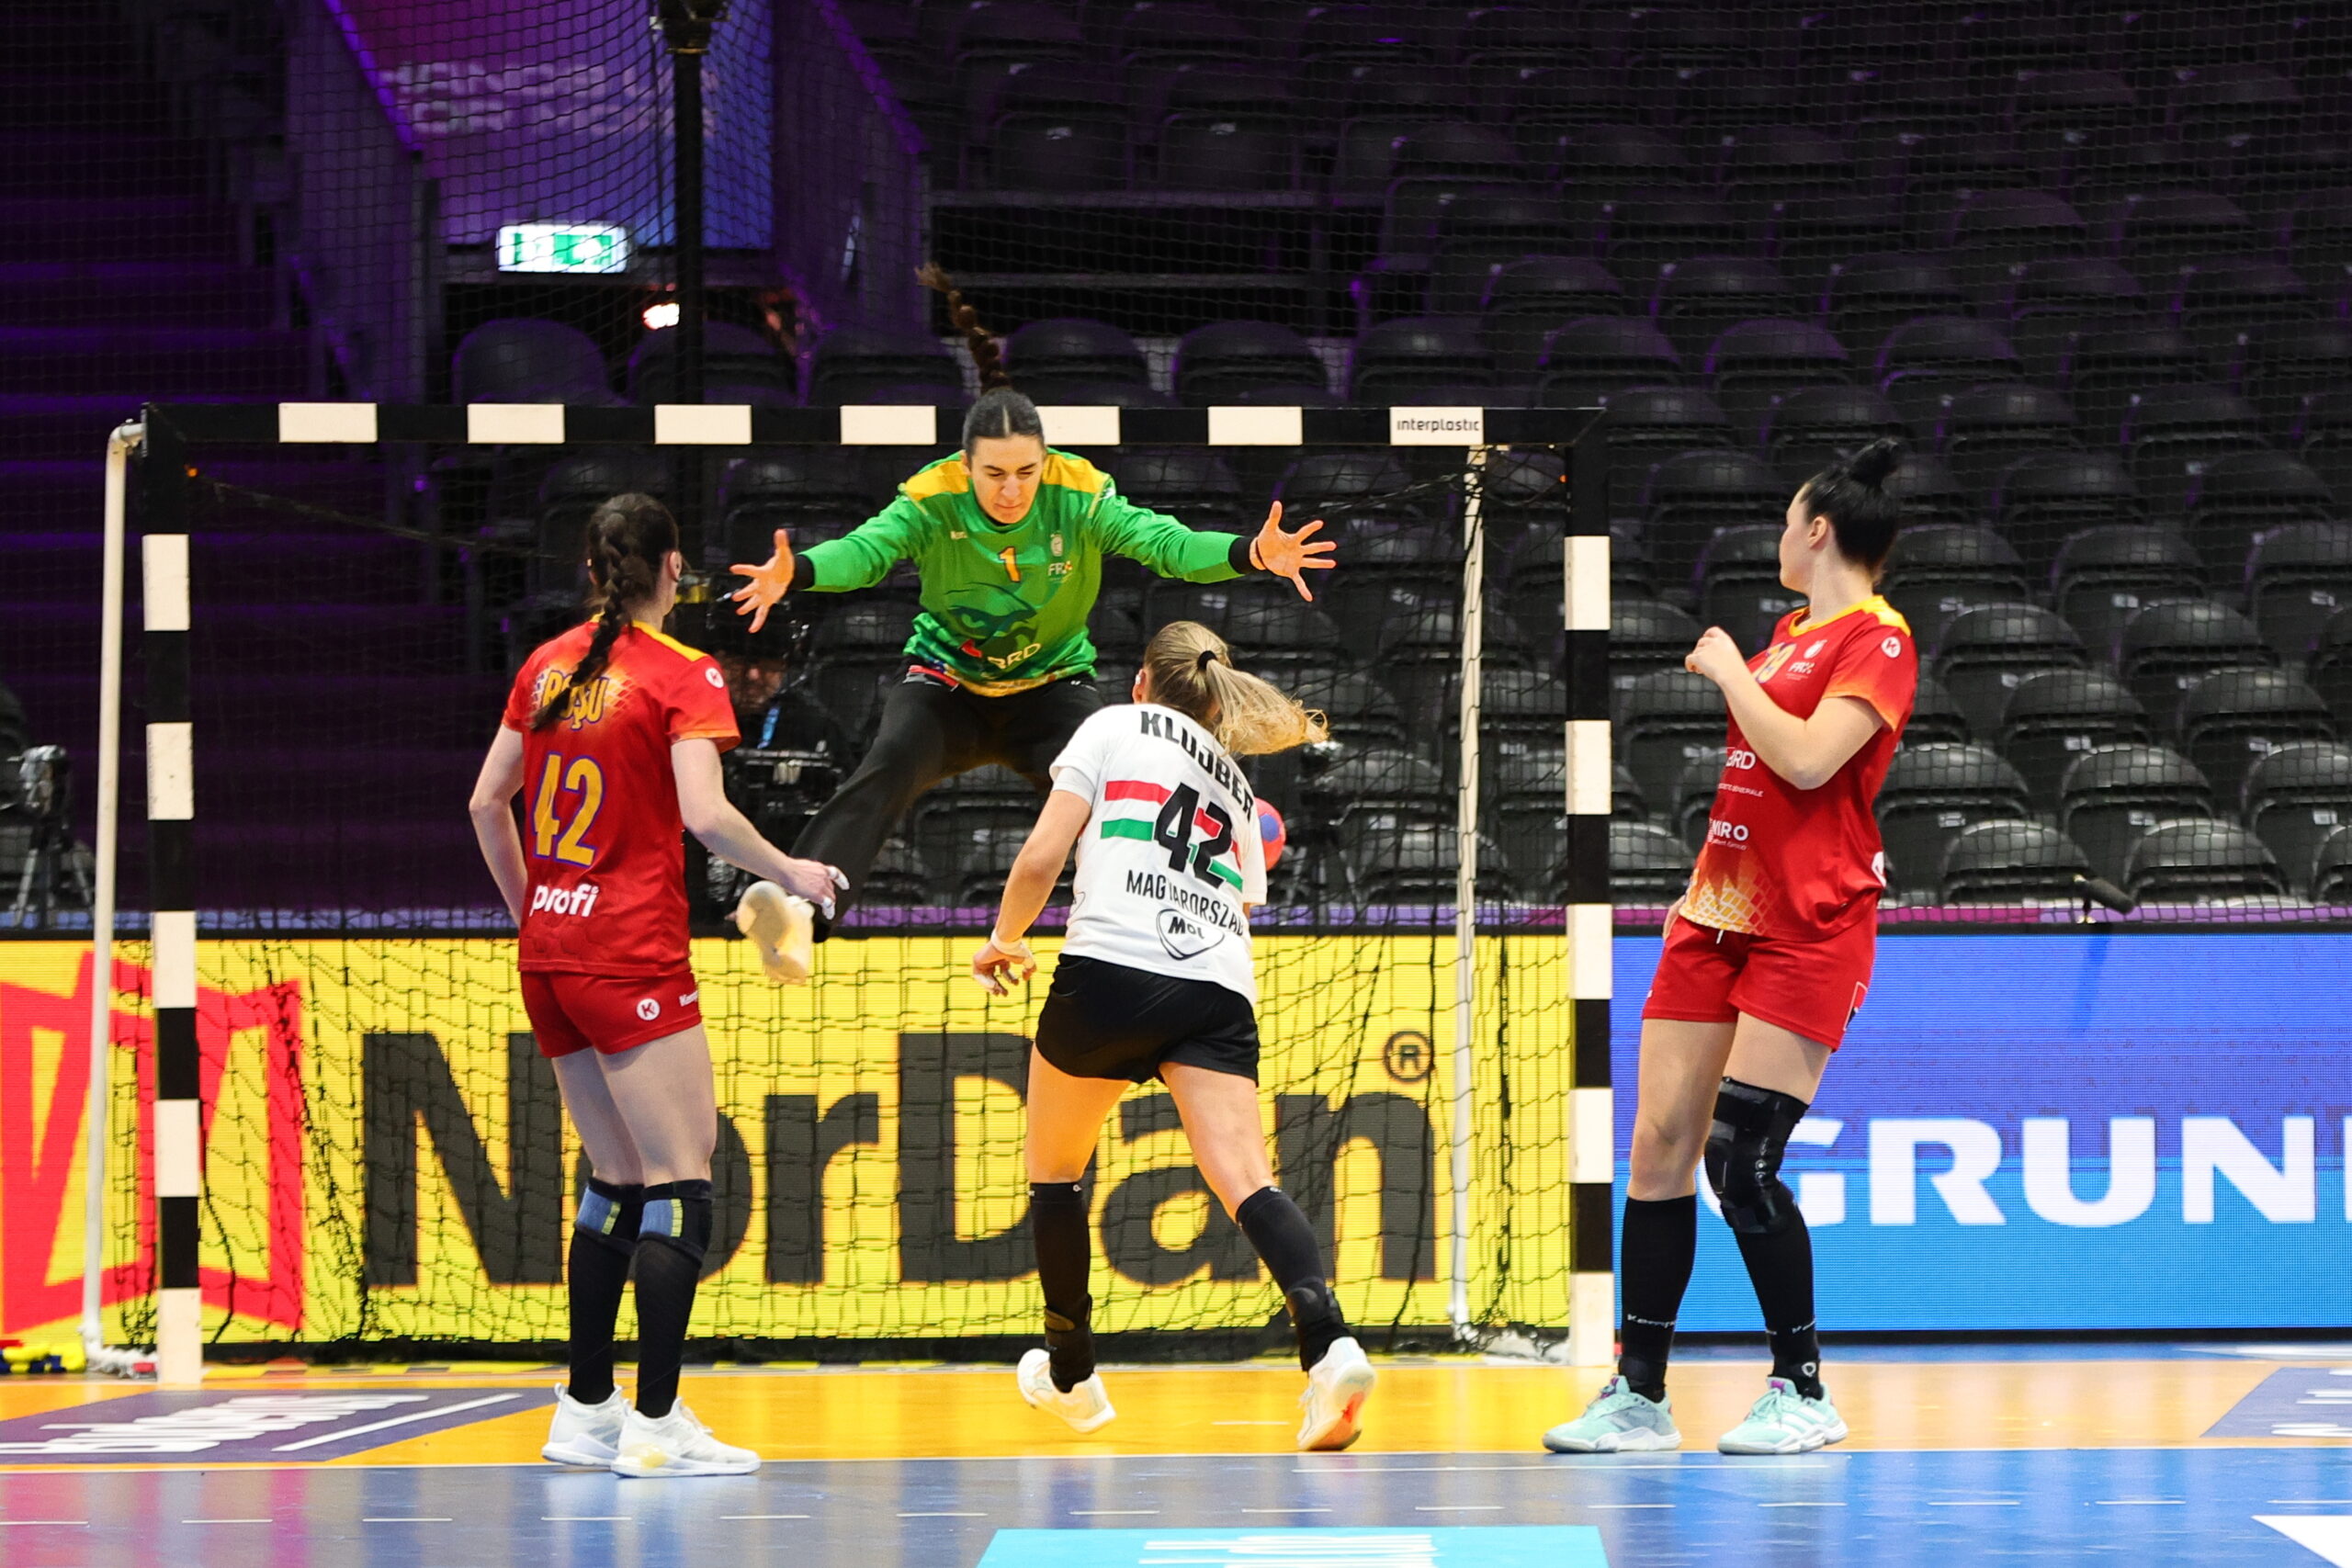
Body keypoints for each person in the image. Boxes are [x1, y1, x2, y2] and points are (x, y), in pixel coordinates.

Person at [728, 267, 1335, 955]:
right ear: (966, 465)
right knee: (887, 765)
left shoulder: (1080, 491)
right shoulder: (932, 496)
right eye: (994, 474)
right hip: (947, 686)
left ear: (1046, 460)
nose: (1012, 490)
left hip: (1052, 689)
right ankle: (802, 914)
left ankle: (1158, 927)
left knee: (1118, 787)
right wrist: (801, 570)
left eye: (1026, 472)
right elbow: (866, 552)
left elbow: (1164, 543)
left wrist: (1250, 552)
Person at [1543, 438, 1917, 1459]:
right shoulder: (1790, 634)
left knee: (1738, 1161)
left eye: (1789, 522)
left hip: (1809, 924)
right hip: (1716, 915)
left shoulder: (1878, 640)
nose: (1780, 538)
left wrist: (1723, 670)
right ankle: (1639, 1394)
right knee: (1658, 1148)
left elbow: (1806, 762)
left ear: (1818, 531)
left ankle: (1803, 1388)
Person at [467, 493, 846, 1478]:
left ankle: (587, 1408)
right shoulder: (683, 672)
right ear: (673, 569)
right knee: (682, 1181)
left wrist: (533, 907)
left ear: (593, 572)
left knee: (616, 1179)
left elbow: (485, 802)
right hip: (629, 951)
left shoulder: (544, 665)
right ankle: (656, 1420)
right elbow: (705, 816)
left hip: (550, 952)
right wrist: (794, 872)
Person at [971, 620, 1378, 1452]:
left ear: (1141, 682)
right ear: (1215, 700)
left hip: (1110, 969)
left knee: (1055, 1174)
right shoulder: (1236, 781)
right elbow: (1243, 901)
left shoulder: (1111, 725)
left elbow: (1042, 856)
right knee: (1249, 1180)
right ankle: (1330, 1345)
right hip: (1215, 985)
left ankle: (1073, 1374)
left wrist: (1005, 938)